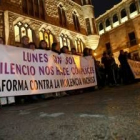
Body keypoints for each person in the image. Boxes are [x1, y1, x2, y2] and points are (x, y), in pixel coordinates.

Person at [0, 37, 15, 106]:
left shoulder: (8, 48)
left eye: (1, 40)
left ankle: (11, 101)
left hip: (8, 69)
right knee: (1, 85)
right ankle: (3, 102)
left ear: (3, 41)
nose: (0, 41)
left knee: (9, 84)